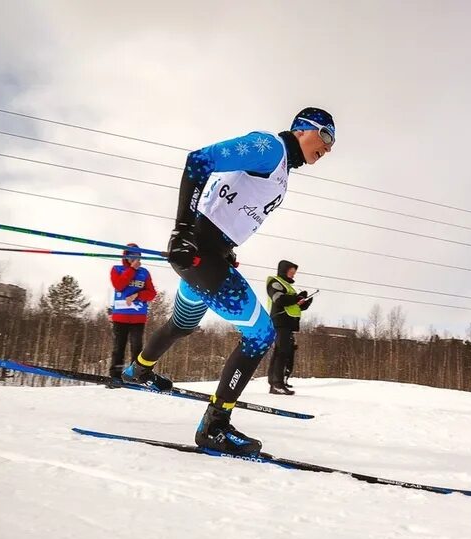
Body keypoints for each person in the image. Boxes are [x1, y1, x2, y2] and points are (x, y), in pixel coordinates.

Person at [121, 107, 336, 455]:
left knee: (182, 324)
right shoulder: (270, 148)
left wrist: (224, 248)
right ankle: (215, 425)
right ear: (302, 129)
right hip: (197, 252)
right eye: (325, 137)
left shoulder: (281, 170)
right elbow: (198, 162)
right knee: (261, 334)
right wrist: (182, 231)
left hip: (210, 255)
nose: (327, 149)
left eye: (332, 145)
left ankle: (138, 370)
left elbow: (228, 207)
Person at [108, 243, 157, 381]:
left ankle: (134, 376)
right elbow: (119, 285)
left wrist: (137, 296)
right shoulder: (116, 269)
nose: (134, 258)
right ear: (125, 256)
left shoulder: (144, 273)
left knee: (137, 349)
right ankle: (115, 377)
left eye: (137, 255)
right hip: (120, 317)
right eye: (131, 254)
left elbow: (152, 293)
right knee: (118, 348)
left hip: (138, 318)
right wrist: (131, 270)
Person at [266, 260, 313, 395]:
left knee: (282, 352)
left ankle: (275, 383)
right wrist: (296, 298)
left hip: (287, 323)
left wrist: (303, 303)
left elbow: (292, 304)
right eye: (291, 272)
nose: (293, 275)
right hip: (280, 322)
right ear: (284, 271)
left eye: (294, 273)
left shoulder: (287, 286)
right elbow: (279, 299)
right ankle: (276, 384)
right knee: (281, 353)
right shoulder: (275, 282)